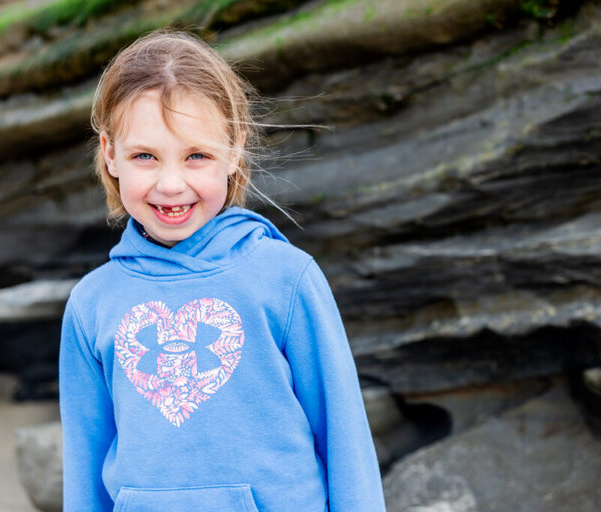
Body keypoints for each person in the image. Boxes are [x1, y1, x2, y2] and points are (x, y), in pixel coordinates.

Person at [58, 29, 386, 512]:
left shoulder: (287, 279)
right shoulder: (92, 303)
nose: (171, 184)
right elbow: (83, 469)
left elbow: (345, 440)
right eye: (145, 156)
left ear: (234, 150)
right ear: (110, 153)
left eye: (197, 156)